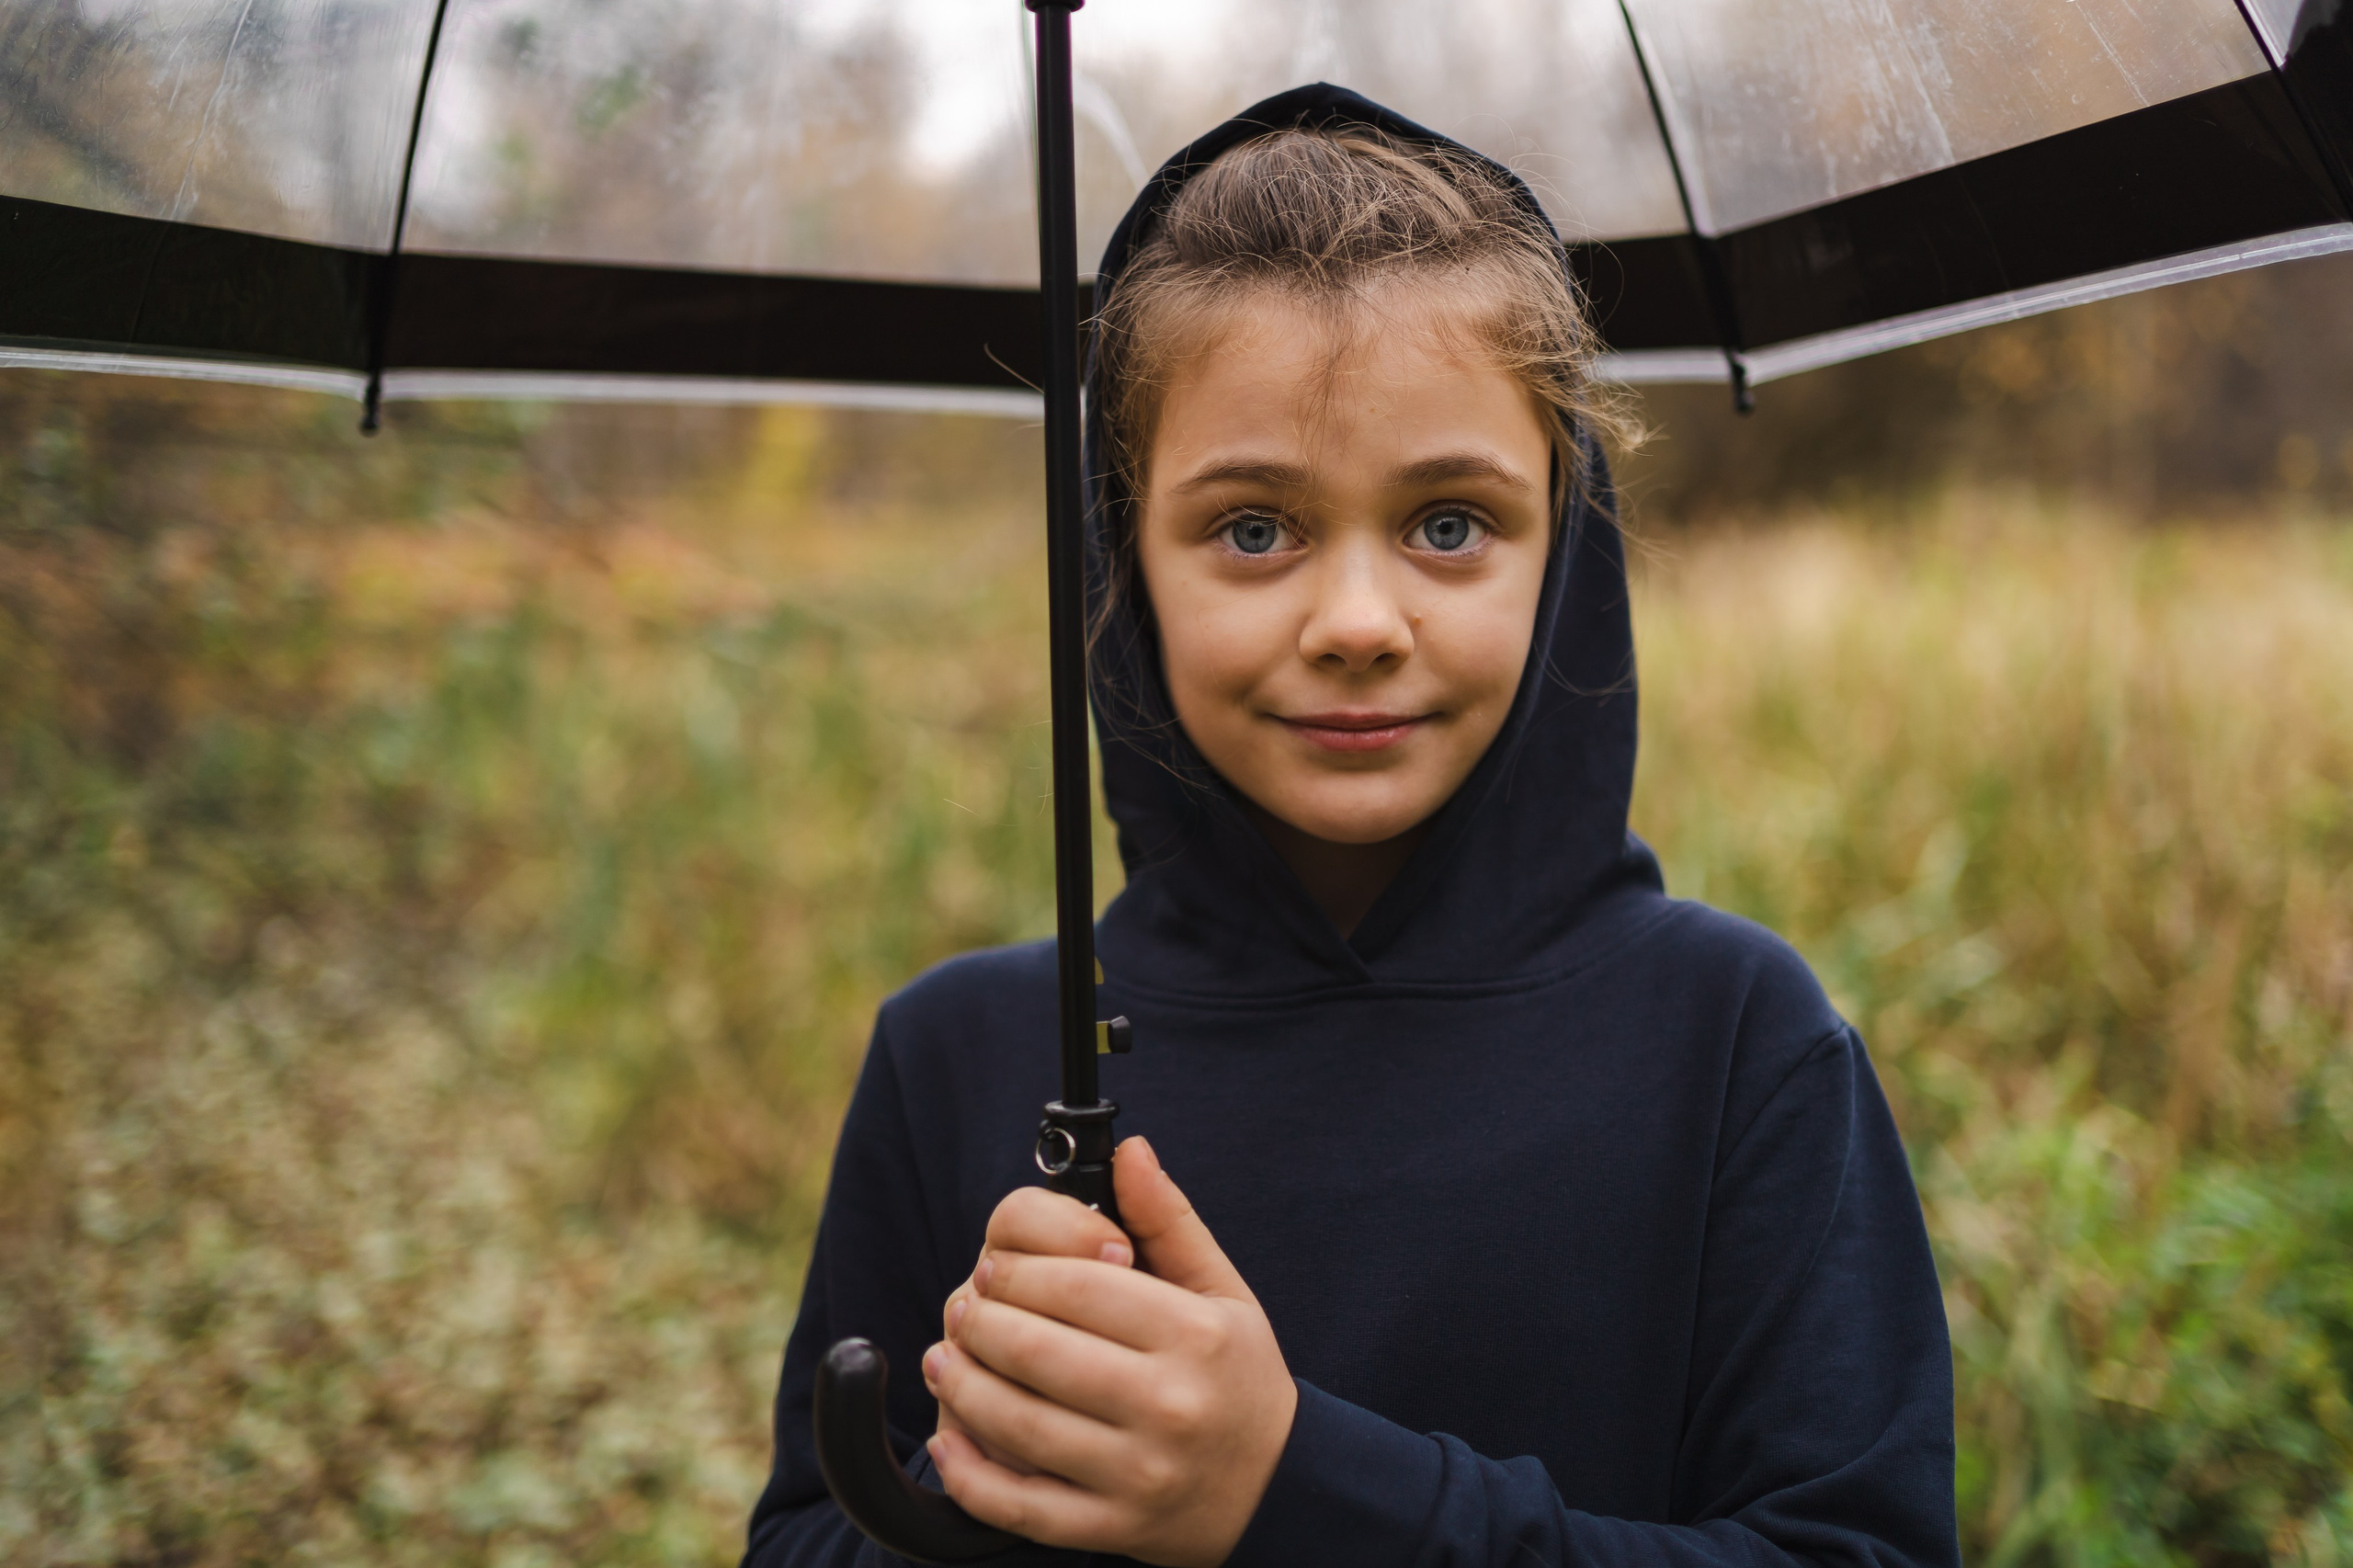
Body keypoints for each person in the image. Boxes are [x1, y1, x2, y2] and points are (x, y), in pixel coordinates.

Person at [744, 85, 1957, 1568]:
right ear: (1123, 556)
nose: (1360, 623)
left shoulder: (1737, 1043)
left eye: (1450, 521)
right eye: (1254, 528)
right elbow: (805, 1535)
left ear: (1562, 542)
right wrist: (997, 1486)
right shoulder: (960, 1057)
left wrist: (1289, 1487)